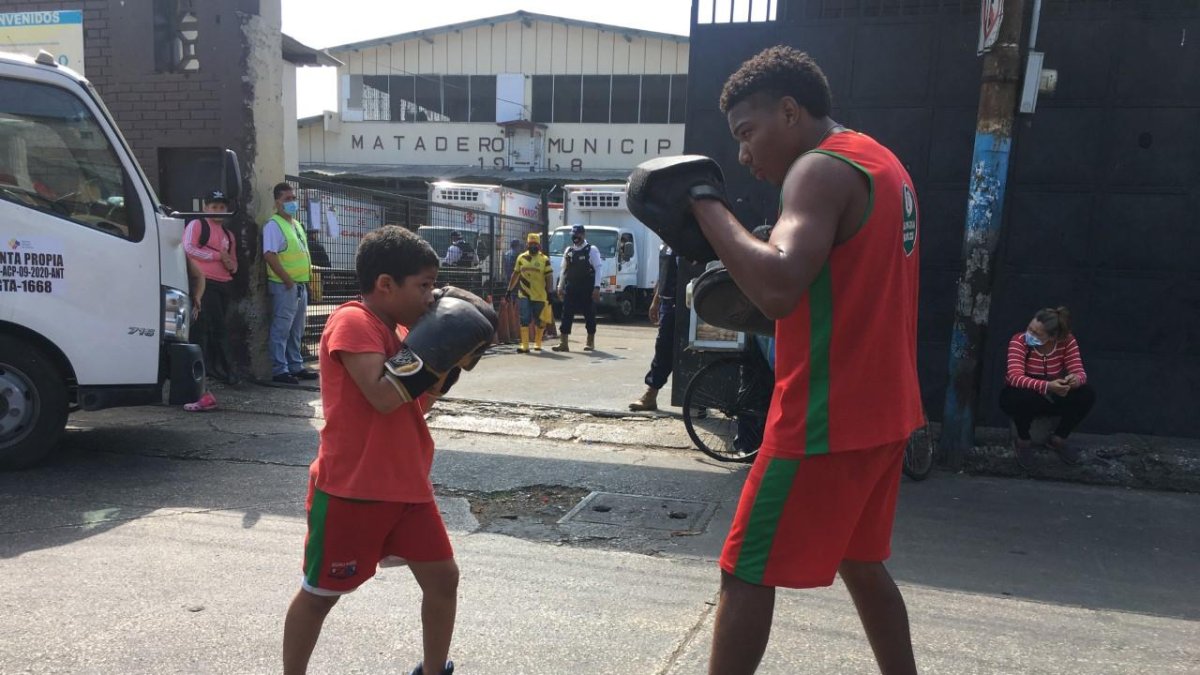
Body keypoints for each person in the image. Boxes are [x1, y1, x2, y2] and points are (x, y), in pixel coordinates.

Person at [684, 46, 924, 674]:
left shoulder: (816, 170)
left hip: (825, 416)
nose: (743, 154)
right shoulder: (880, 162)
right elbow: (830, 290)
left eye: (747, 133)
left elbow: (780, 286)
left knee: (744, 571)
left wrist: (704, 203)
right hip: (887, 412)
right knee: (862, 563)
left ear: (789, 111)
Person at [282, 225, 491, 675]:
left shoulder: (396, 330)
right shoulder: (352, 321)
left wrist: (446, 367)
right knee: (321, 595)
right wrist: (436, 346)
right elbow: (380, 395)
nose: (431, 298)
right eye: (424, 286)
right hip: (353, 489)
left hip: (407, 484)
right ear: (385, 284)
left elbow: (413, 404)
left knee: (442, 579)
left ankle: (434, 671)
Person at [1000, 306, 1095, 468]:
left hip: (1051, 393)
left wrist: (1074, 380)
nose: (1030, 335)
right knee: (1021, 397)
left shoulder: (1067, 342)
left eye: (1037, 333)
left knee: (1086, 394)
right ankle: (1023, 441)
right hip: (1024, 393)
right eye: (1029, 329)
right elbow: (1015, 377)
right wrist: (1047, 386)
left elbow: (1079, 372)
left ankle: (1058, 439)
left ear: (1053, 337)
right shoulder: (1019, 341)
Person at [263, 182, 318, 385]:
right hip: (285, 285)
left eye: (293, 198)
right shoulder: (273, 225)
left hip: (299, 285)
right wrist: (288, 280)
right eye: (287, 199)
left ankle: (295, 365)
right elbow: (269, 254)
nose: (292, 202)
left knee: (297, 329)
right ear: (277, 202)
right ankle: (280, 370)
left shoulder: (295, 225)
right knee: (281, 329)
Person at [183, 190, 239, 385]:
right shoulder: (197, 225)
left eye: (222, 207)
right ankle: (226, 370)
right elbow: (188, 247)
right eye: (214, 207)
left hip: (224, 283)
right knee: (212, 327)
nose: (218, 210)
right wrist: (216, 257)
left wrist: (231, 264)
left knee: (219, 326)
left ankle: (216, 369)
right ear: (205, 208)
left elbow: (233, 261)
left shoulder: (228, 235)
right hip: (205, 282)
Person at [629, 245, 678, 411]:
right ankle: (651, 393)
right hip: (667, 301)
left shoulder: (687, 242)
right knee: (663, 347)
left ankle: (698, 401)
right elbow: (662, 276)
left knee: (692, 349)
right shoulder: (665, 246)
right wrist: (655, 301)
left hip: (685, 303)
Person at [552, 224, 603, 352]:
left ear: (583, 234)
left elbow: (598, 269)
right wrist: (560, 286)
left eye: (578, 234)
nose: (575, 237)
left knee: (589, 314)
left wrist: (597, 287)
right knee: (566, 314)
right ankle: (563, 343)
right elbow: (564, 269)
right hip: (572, 287)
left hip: (587, 287)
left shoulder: (591, 250)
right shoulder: (569, 251)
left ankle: (590, 342)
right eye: (573, 235)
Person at [182, 256, 219, 412]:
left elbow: (199, 276)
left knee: (191, 351)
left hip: (183, 308)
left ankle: (201, 394)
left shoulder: (181, 254)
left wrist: (197, 296)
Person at [507, 232, 554, 353]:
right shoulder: (521, 258)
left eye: (535, 244)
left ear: (539, 245)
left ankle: (538, 343)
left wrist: (550, 292)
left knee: (540, 320)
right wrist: (509, 289)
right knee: (524, 318)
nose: (533, 246)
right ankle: (525, 345)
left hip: (540, 295)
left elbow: (549, 277)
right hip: (524, 294)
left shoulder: (544, 259)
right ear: (527, 244)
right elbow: (515, 274)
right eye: (531, 243)